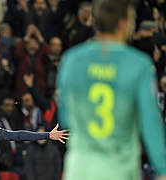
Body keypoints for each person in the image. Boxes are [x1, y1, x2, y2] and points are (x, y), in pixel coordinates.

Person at [56, 0, 166, 180]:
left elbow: (65, 118)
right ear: (123, 23)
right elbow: (151, 123)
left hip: (79, 169)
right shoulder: (138, 65)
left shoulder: (71, 60)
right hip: (118, 170)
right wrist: (162, 169)